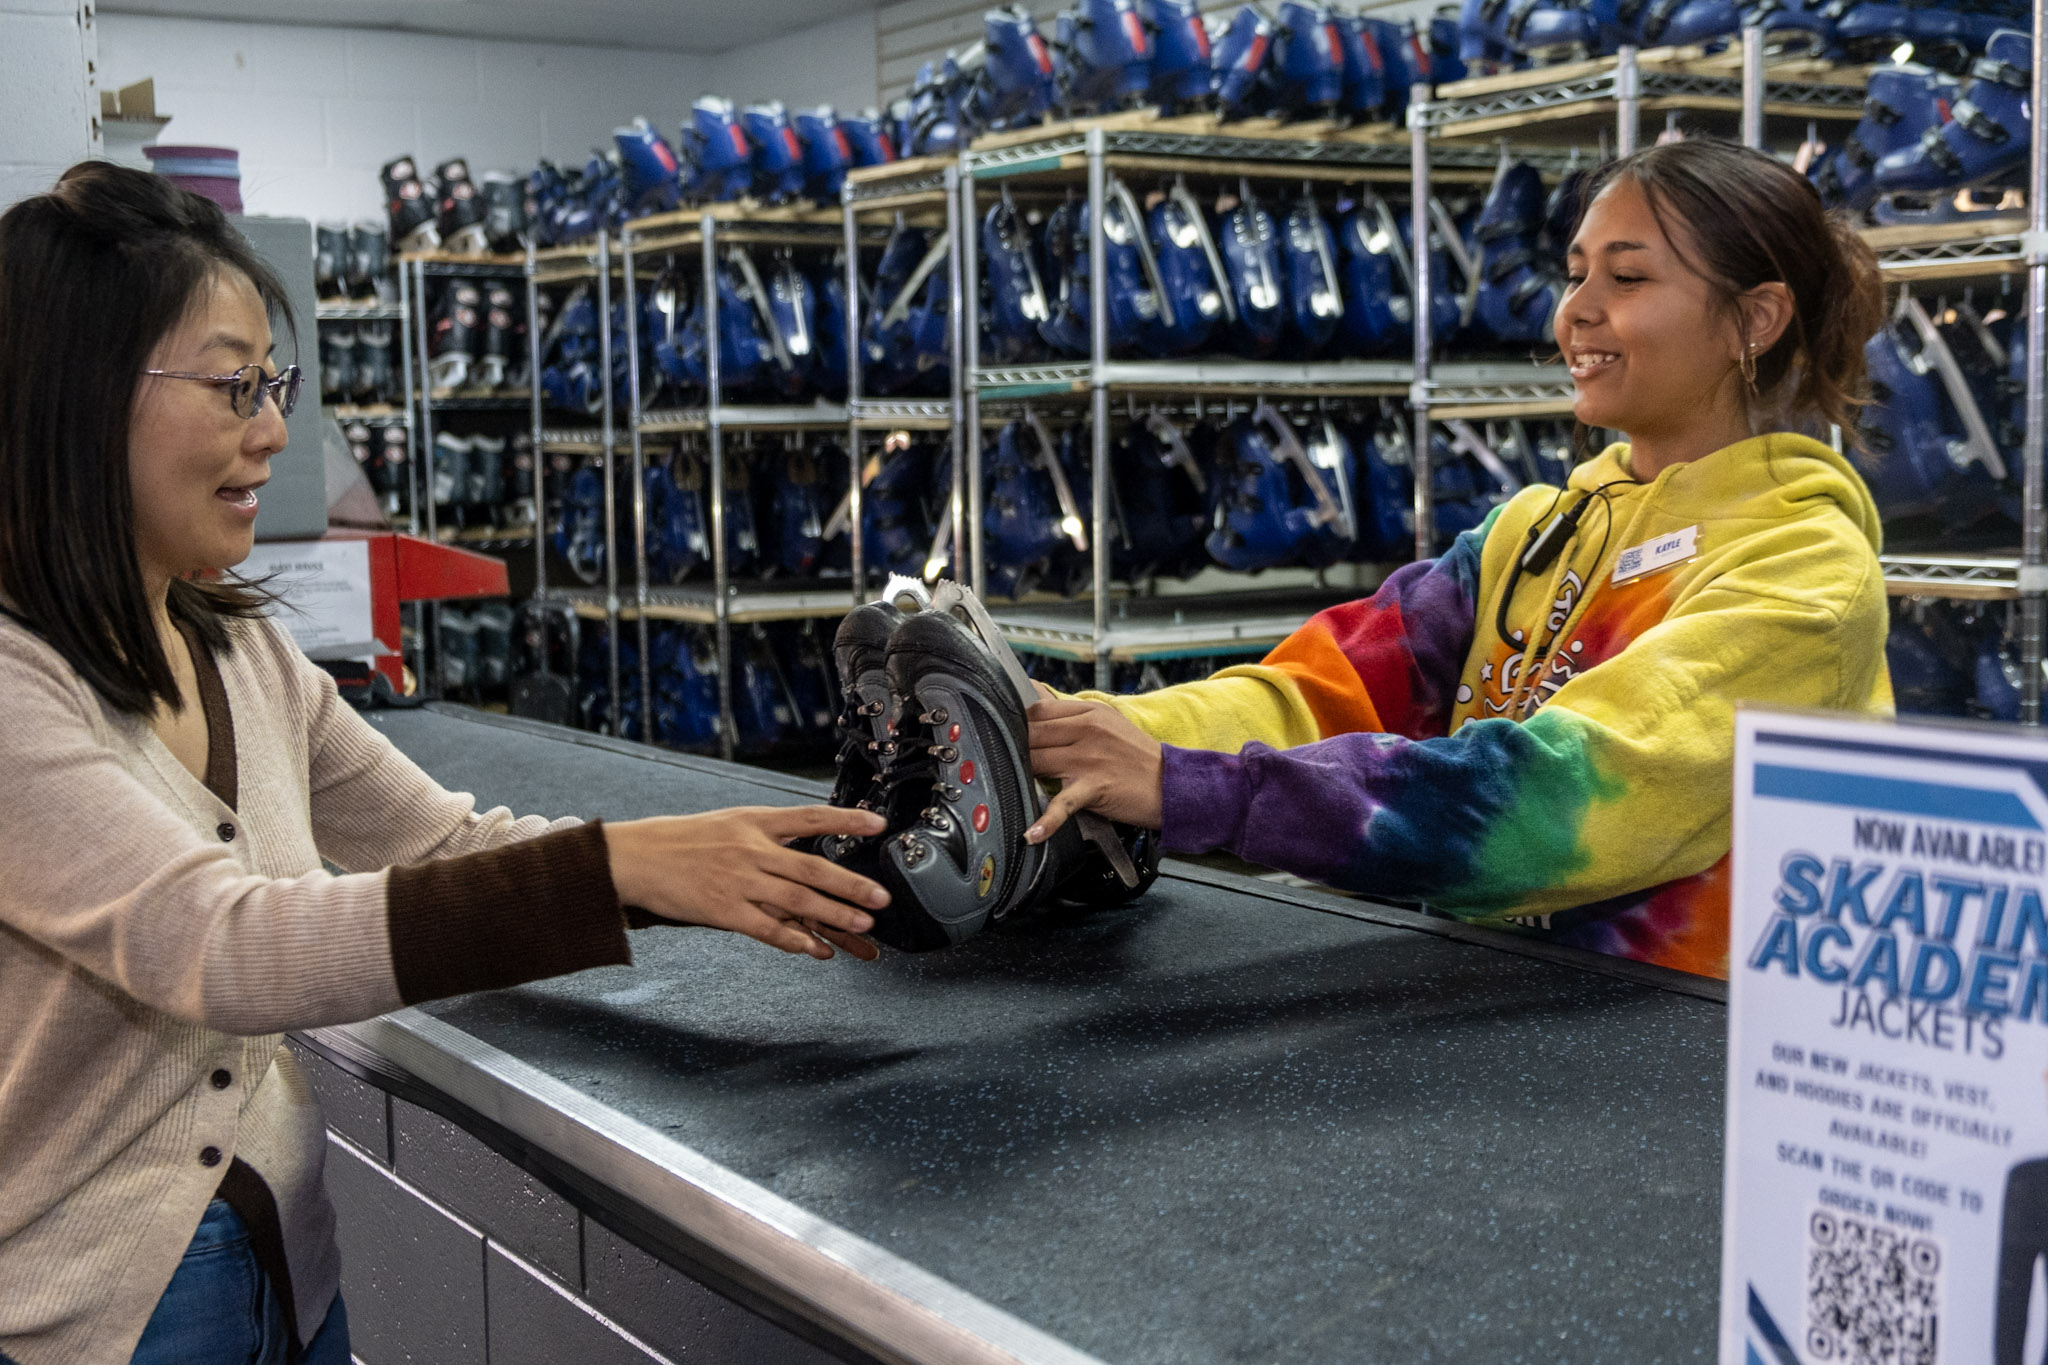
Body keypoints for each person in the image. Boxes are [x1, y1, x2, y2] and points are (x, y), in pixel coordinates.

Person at [0, 162, 893, 1365]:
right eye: (231, 385)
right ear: (76, 395)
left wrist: (684, 872)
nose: (273, 431)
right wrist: (611, 868)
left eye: (274, 384)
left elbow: (441, 845)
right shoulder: (15, 689)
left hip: (288, 1273)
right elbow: (222, 948)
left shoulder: (244, 655)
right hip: (90, 1321)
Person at [1026, 138, 1892, 980]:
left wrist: (1192, 788)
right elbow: (1318, 694)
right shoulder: (1537, 530)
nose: (1576, 310)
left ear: (1755, 319)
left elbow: (1562, 800)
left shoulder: (1803, 570)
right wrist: (1074, 727)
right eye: (1576, 273)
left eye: (1627, 278)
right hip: (1499, 1004)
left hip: (1689, 1041)